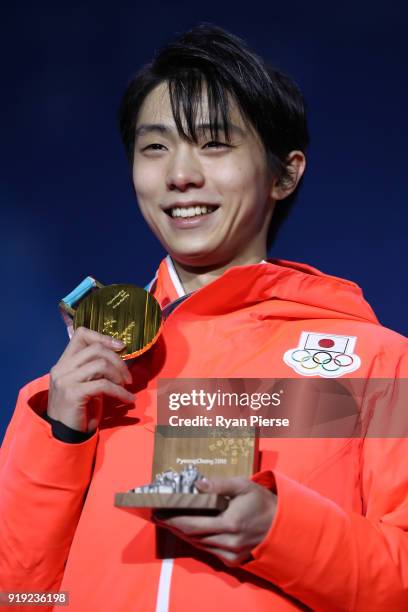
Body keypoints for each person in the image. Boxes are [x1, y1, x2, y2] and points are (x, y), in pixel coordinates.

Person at [1, 24, 407, 612]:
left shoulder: (378, 364)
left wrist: (280, 530)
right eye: (155, 147)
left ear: (284, 173)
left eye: (214, 143)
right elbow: (21, 595)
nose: (179, 174)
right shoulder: (77, 383)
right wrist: (62, 433)